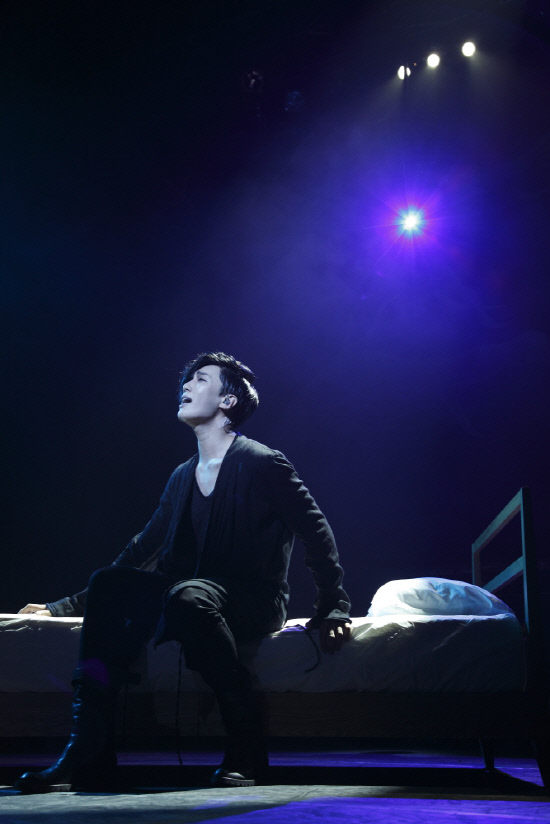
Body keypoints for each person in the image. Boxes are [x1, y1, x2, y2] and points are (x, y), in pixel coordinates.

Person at [16, 352, 351, 793]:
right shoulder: (182, 475)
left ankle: (246, 742)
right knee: (110, 583)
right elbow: (143, 548)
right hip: (190, 594)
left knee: (187, 596)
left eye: (201, 379)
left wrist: (333, 605)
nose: (186, 385)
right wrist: (62, 607)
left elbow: (315, 529)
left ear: (228, 401)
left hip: (251, 599)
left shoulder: (263, 462)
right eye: (187, 379)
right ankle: (88, 748)